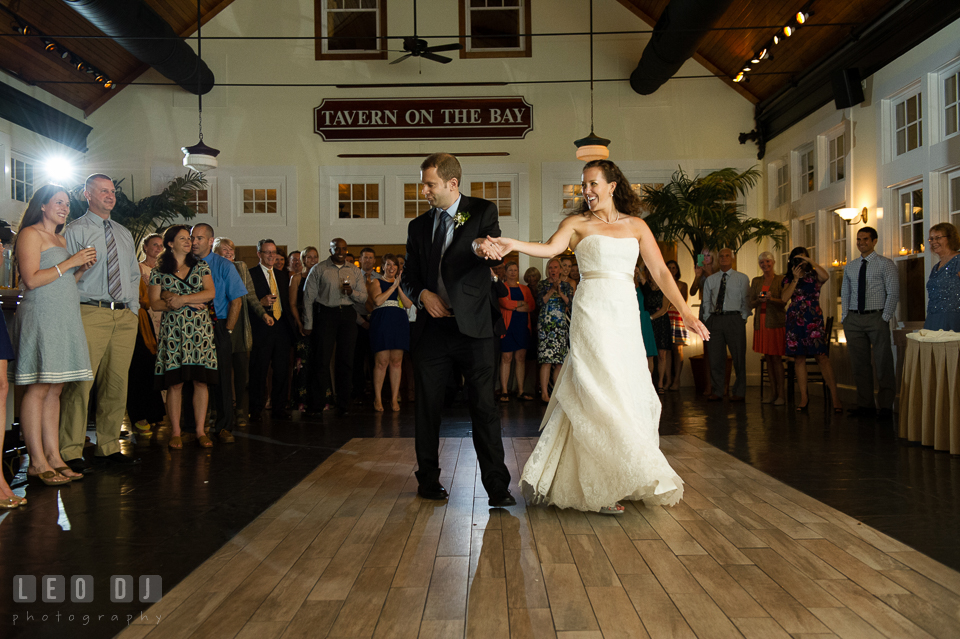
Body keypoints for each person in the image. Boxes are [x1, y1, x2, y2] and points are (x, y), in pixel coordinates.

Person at [487, 159, 709, 514]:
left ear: (612, 185)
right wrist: (513, 243)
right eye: (583, 185)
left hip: (624, 312)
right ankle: (599, 485)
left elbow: (661, 275)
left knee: (627, 386)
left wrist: (685, 311)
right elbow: (550, 249)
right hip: (591, 310)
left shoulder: (636, 226)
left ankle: (626, 473)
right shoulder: (577, 224)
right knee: (596, 387)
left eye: (593, 184)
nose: (587, 191)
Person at [400, 151, 515, 508]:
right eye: (423, 184)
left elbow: (488, 244)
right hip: (433, 330)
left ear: (452, 184)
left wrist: (484, 246)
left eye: (430, 184)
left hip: (474, 328)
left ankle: (497, 486)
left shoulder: (481, 212)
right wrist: (423, 295)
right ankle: (428, 480)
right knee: (428, 408)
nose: (424, 192)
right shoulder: (418, 227)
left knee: (484, 408)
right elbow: (409, 276)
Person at [11, 185, 96, 485]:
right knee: (39, 386)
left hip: (63, 314)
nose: (64, 207)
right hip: (41, 315)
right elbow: (32, 279)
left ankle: (54, 456)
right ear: (43, 205)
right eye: (58, 202)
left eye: (67, 203)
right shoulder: (30, 234)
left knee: (56, 388)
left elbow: (61, 281)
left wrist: (80, 269)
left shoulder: (59, 238)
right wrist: (70, 262)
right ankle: (36, 461)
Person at [60, 174, 141, 472]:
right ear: (87, 195)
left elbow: (133, 274)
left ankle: (108, 447)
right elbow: (65, 275)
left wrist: (133, 308)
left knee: (117, 383)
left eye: (112, 191)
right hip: (90, 311)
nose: (110, 196)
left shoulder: (123, 232)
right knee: (81, 383)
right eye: (103, 191)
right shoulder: (75, 230)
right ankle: (69, 450)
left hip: (124, 314)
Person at [148, 226, 218, 448]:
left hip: (199, 332)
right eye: (182, 239)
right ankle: (175, 432)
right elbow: (155, 303)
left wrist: (181, 299)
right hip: (174, 332)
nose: (188, 242)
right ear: (170, 243)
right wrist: (174, 300)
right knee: (175, 384)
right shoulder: (159, 271)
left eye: (189, 239)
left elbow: (209, 293)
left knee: (200, 381)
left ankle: (200, 431)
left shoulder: (201, 265)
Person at [183, 223, 248, 442]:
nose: (194, 242)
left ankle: (223, 426)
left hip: (216, 324)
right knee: (191, 376)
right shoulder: (184, 264)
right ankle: (192, 427)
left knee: (220, 379)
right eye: (193, 237)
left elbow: (236, 300)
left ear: (211, 241)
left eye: (200, 238)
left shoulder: (223, 266)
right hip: (189, 325)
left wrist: (227, 330)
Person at [302, 238, 367, 416]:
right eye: (336, 249)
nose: (340, 252)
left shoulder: (354, 270)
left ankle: (344, 405)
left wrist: (351, 292)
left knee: (346, 361)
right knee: (321, 360)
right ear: (330, 250)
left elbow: (363, 297)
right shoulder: (319, 269)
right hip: (326, 314)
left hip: (347, 315)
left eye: (343, 249)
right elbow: (308, 298)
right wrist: (308, 323)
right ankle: (317, 405)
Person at [841, 227, 899, 419]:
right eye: (858, 239)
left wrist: (885, 316)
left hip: (876, 316)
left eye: (865, 239)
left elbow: (893, 292)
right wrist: (845, 316)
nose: (861, 243)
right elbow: (846, 293)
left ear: (874, 241)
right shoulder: (851, 265)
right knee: (860, 365)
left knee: (883, 362)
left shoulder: (885, 264)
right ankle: (865, 405)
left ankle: (885, 407)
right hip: (854, 318)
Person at [213, 237, 270, 424]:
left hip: (239, 325)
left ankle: (238, 409)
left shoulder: (241, 267)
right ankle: (220, 409)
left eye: (231, 249)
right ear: (215, 252)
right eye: (224, 249)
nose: (229, 252)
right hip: (219, 323)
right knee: (220, 370)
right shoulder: (210, 267)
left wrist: (263, 314)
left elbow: (250, 295)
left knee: (240, 368)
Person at [781, 247, 843, 413]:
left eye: (803, 258)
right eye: (796, 258)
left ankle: (835, 397)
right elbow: (784, 298)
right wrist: (795, 278)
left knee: (822, 357)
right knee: (799, 358)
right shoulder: (787, 279)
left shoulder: (814, 276)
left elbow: (826, 276)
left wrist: (809, 262)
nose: (800, 261)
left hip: (813, 319)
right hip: (795, 320)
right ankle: (804, 397)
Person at [248, 239, 295, 420]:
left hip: (281, 327)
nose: (271, 256)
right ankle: (256, 409)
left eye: (273, 252)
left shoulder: (282, 275)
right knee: (259, 369)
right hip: (261, 327)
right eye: (267, 252)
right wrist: (260, 303)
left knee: (282, 370)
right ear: (259, 254)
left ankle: (279, 408)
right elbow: (246, 302)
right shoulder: (251, 274)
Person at [126, 233, 166, 435]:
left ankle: (157, 412)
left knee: (157, 367)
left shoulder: (166, 270)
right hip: (143, 319)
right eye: (154, 245)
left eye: (161, 245)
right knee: (143, 365)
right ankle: (141, 414)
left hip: (164, 319)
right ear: (145, 247)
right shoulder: (137, 268)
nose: (158, 248)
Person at [702, 248, 750, 402]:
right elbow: (706, 302)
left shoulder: (742, 278)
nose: (723, 258)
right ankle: (718, 390)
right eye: (721, 256)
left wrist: (742, 317)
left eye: (727, 255)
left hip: (734, 319)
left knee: (738, 357)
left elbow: (746, 300)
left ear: (732, 258)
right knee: (715, 357)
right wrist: (708, 319)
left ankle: (739, 392)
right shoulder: (711, 280)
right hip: (715, 320)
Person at [367, 253, 412, 411]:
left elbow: (407, 304)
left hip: (399, 321)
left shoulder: (402, 283)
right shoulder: (376, 282)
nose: (392, 268)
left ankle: (394, 399)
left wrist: (398, 285)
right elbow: (378, 301)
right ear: (383, 267)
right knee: (381, 362)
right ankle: (378, 399)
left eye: (395, 265)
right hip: (382, 321)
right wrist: (392, 286)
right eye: (388, 264)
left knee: (396, 362)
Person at [748, 251, 786, 405]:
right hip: (761, 322)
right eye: (762, 262)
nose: (765, 265)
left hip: (776, 322)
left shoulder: (781, 279)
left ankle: (781, 395)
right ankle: (773, 393)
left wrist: (771, 299)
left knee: (776, 358)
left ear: (773, 262)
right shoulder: (756, 281)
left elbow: (784, 301)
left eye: (767, 262)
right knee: (768, 358)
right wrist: (759, 299)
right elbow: (750, 303)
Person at [497, 261, 535, 401]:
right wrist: (520, 305)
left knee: (520, 358)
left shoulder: (525, 289)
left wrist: (513, 306)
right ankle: (504, 391)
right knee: (506, 358)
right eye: (510, 270)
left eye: (515, 270)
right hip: (507, 327)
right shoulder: (502, 287)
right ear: (506, 272)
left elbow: (531, 306)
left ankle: (521, 390)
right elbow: (504, 303)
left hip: (523, 327)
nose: (513, 272)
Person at [536, 258, 573, 403]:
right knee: (546, 361)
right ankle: (544, 393)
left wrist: (560, 291)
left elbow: (569, 303)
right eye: (550, 268)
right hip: (546, 327)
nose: (553, 270)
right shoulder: (542, 284)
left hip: (560, 327)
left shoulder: (567, 286)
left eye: (556, 267)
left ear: (560, 269)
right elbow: (540, 302)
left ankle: (557, 393)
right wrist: (551, 290)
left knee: (559, 362)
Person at [289, 246, 318, 411]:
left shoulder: (321, 277)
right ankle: (301, 401)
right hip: (302, 323)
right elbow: (292, 304)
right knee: (302, 363)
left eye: (315, 257)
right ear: (303, 260)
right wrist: (300, 323)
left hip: (319, 323)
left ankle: (320, 400)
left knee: (318, 361)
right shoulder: (296, 278)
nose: (312, 260)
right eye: (309, 257)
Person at [640, 261, 672, 393]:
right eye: (650, 274)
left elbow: (665, 308)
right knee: (649, 354)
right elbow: (639, 271)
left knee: (662, 354)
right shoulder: (645, 288)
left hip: (661, 321)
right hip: (648, 323)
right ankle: (650, 382)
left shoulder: (665, 288)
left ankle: (660, 383)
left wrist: (651, 318)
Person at [354, 247, 380, 403]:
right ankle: (358, 391)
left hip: (376, 320)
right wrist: (361, 322)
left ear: (374, 260)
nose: (368, 260)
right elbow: (350, 303)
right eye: (365, 257)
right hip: (358, 321)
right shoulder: (355, 277)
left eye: (371, 258)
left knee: (375, 358)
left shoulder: (380, 278)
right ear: (360, 259)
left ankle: (377, 392)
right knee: (357, 359)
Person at [690, 247, 717, 396]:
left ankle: (720, 385)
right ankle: (708, 385)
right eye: (703, 255)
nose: (705, 258)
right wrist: (697, 275)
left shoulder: (719, 272)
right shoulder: (701, 273)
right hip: (704, 311)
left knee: (718, 351)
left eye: (708, 255)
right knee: (706, 351)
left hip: (718, 312)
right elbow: (693, 292)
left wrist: (707, 272)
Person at [924, 222, 960, 331]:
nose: (934, 242)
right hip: (933, 319)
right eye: (931, 239)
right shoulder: (936, 267)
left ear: (950, 238)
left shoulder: (958, 260)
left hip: (953, 320)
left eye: (938, 238)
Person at [665, 259, 688, 390]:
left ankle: (677, 380)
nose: (672, 270)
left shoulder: (682, 285)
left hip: (678, 316)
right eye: (669, 267)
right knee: (666, 348)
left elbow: (683, 301)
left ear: (677, 270)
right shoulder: (662, 283)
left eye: (674, 268)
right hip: (665, 315)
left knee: (677, 349)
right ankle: (668, 379)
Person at [634, 264, 658, 371]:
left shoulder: (642, 286)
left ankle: (650, 383)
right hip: (631, 321)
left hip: (644, 320)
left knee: (649, 354)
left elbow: (649, 293)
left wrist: (639, 273)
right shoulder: (624, 286)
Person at [522, 266, 541, 397]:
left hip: (543, 326)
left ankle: (539, 387)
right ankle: (529, 387)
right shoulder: (525, 289)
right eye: (529, 276)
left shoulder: (542, 288)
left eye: (534, 276)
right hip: (529, 325)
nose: (531, 278)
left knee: (541, 359)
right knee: (529, 358)